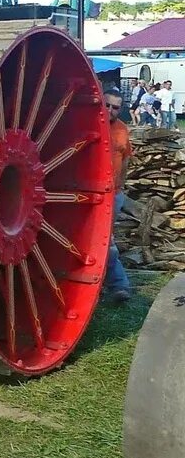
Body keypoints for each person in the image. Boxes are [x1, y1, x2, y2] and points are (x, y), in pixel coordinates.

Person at [104, 88, 134, 304]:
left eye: (115, 107)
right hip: (87, 195)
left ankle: (117, 285)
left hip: (112, 195)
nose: (110, 110)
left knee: (106, 241)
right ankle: (118, 284)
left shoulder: (122, 130)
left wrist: (119, 187)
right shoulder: (86, 125)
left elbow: (124, 159)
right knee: (106, 242)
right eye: (107, 105)